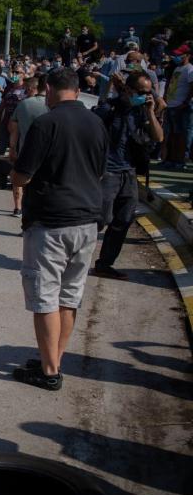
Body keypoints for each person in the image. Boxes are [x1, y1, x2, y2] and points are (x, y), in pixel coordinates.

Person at [10, 67, 109, 391]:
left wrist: (19, 179)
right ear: (78, 91)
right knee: (69, 297)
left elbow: (22, 174)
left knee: (46, 298)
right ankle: (54, 357)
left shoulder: (46, 123)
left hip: (52, 221)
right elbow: (99, 170)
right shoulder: (96, 122)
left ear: (50, 89)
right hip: (87, 220)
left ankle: (49, 370)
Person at [90, 72, 163, 280]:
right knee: (99, 218)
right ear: (128, 89)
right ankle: (75, 257)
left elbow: (158, 137)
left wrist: (150, 111)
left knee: (124, 219)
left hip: (129, 172)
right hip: (107, 172)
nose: (146, 96)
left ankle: (104, 264)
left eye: (149, 92)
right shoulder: (110, 108)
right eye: (142, 92)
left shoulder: (142, 112)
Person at [8, 75, 49, 217]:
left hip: (25, 150)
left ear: (33, 88)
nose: (25, 91)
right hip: (48, 154)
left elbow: (13, 129)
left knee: (22, 183)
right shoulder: (53, 105)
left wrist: (12, 149)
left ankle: (19, 209)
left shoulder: (23, 105)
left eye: (26, 89)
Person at [162, 46, 192, 169]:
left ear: (188, 55)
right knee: (172, 134)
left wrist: (185, 102)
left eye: (180, 55)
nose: (177, 57)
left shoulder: (190, 69)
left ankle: (180, 160)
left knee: (180, 135)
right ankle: (171, 159)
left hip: (181, 107)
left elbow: (192, 88)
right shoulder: (178, 68)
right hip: (171, 105)